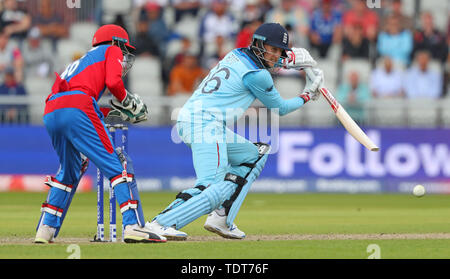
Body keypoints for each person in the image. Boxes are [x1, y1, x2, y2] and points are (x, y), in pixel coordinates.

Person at [145, 23, 323, 240]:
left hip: (196, 119)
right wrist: (307, 94)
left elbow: (264, 60)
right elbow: (282, 109)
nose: (275, 55)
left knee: (254, 155)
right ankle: (159, 223)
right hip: (206, 124)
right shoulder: (258, 75)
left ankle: (222, 217)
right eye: (272, 49)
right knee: (210, 186)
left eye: (280, 52)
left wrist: (291, 61)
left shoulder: (236, 54)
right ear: (258, 44)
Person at [34, 24, 165, 244]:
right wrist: (128, 102)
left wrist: (112, 110)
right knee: (115, 165)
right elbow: (113, 82)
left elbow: (80, 97)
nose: (123, 55)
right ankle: (132, 226)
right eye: (123, 49)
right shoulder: (110, 50)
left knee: (68, 171)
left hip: (51, 109)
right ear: (115, 42)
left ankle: (45, 230)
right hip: (77, 106)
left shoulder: (81, 60)